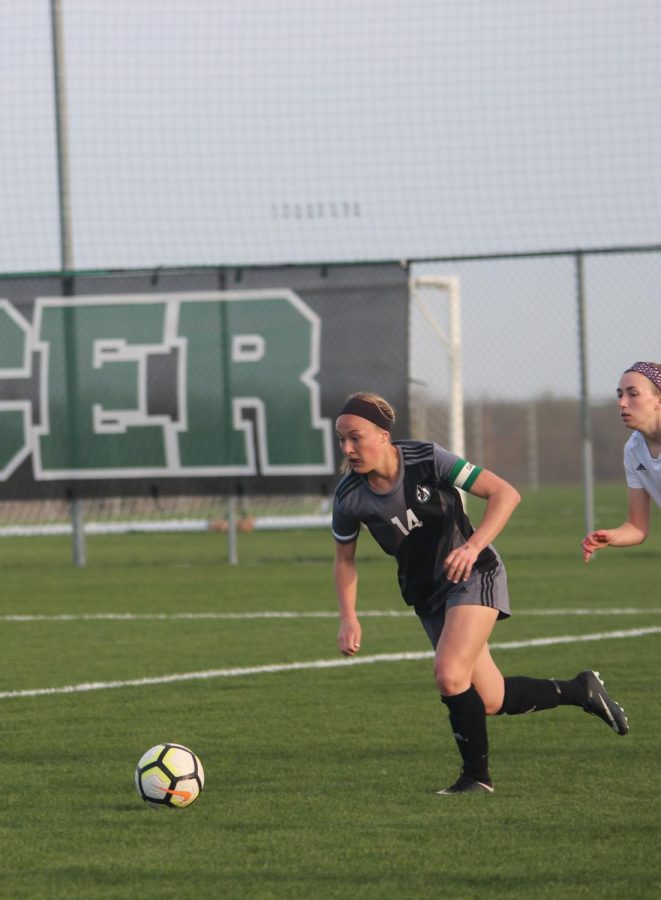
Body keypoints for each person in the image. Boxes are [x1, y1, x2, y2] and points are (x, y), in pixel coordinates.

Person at [332, 391, 628, 796]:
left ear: (383, 435)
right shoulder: (349, 497)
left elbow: (505, 493)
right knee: (491, 697)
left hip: (476, 573)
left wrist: (472, 547)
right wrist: (349, 615)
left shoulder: (426, 458)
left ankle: (476, 779)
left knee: (449, 673)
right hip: (428, 595)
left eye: (356, 437)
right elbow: (344, 560)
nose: (348, 448)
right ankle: (581, 689)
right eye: (341, 440)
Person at [582, 361, 661, 562]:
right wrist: (611, 537)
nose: (622, 402)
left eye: (633, 394)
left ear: (658, 400)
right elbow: (637, 527)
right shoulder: (634, 449)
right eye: (620, 394)